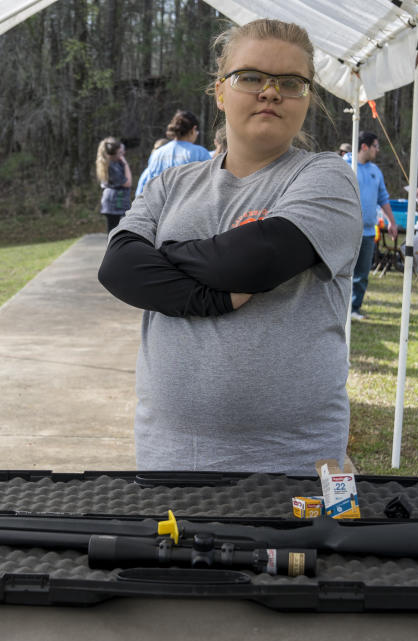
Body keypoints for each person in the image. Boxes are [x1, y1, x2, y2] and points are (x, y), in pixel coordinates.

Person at [98, 18, 362, 474]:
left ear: (308, 98)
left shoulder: (325, 177)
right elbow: (119, 268)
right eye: (251, 77)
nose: (271, 92)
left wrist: (166, 257)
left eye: (291, 82)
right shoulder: (169, 184)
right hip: (168, 452)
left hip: (294, 459)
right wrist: (213, 294)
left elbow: (256, 261)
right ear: (220, 91)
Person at [345, 131, 397, 320]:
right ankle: (338, 308)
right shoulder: (345, 165)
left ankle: (354, 308)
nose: (377, 150)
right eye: (375, 146)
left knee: (362, 273)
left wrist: (391, 221)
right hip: (346, 230)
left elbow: (383, 197)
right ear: (364, 147)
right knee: (342, 271)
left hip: (368, 231)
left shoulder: (376, 171)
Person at [135, 110, 212, 195]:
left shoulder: (157, 154)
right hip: (188, 206)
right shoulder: (200, 153)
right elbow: (210, 184)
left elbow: (146, 184)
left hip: (159, 205)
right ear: (193, 129)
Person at [95, 137, 132, 233]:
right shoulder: (111, 166)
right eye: (120, 152)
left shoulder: (114, 162)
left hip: (115, 201)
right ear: (111, 154)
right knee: (114, 232)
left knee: (116, 232)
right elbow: (127, 183)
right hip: (115, 203)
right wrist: (125, 164)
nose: (122, 154)